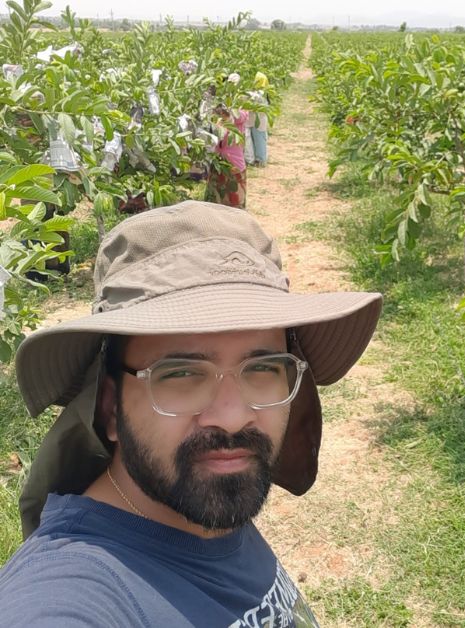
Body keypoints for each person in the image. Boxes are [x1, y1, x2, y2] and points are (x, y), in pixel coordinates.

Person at [0, 200, 383, 624]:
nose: (233, 417)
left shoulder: (191, 500)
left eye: (261, 368)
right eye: (181, 373)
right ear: (109, 407)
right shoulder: (72, 590)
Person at [243, 72, 271, 167]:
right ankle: (256, 159)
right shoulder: (259, 93)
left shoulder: (261, 94)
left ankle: (260, 160)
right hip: (253, 120)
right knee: (255, 140)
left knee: (259, 140)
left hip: (258, 120)